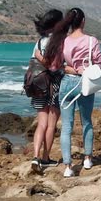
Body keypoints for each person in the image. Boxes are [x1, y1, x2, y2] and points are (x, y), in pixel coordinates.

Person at [43, 8, 101, 177]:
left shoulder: (62, 40)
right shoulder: (92, 41)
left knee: (66, 126)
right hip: (84, 83)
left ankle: (68, 166)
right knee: (86, 122)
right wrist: (85, 68)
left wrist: (68, 67)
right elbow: (99, 63)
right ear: (83, 21)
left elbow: (54, 66)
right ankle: (87, 158)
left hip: (67, 83)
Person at [29, 9, 64, 172]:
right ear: (57, 24)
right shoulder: (58, 41)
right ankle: (45, 158)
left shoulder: (39, 41)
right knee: (51, 125)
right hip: (53, 84)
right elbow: (54, 67)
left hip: (37, 84)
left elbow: (36, 61)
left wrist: (39, 56)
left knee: (41, 123)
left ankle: (35, 157)